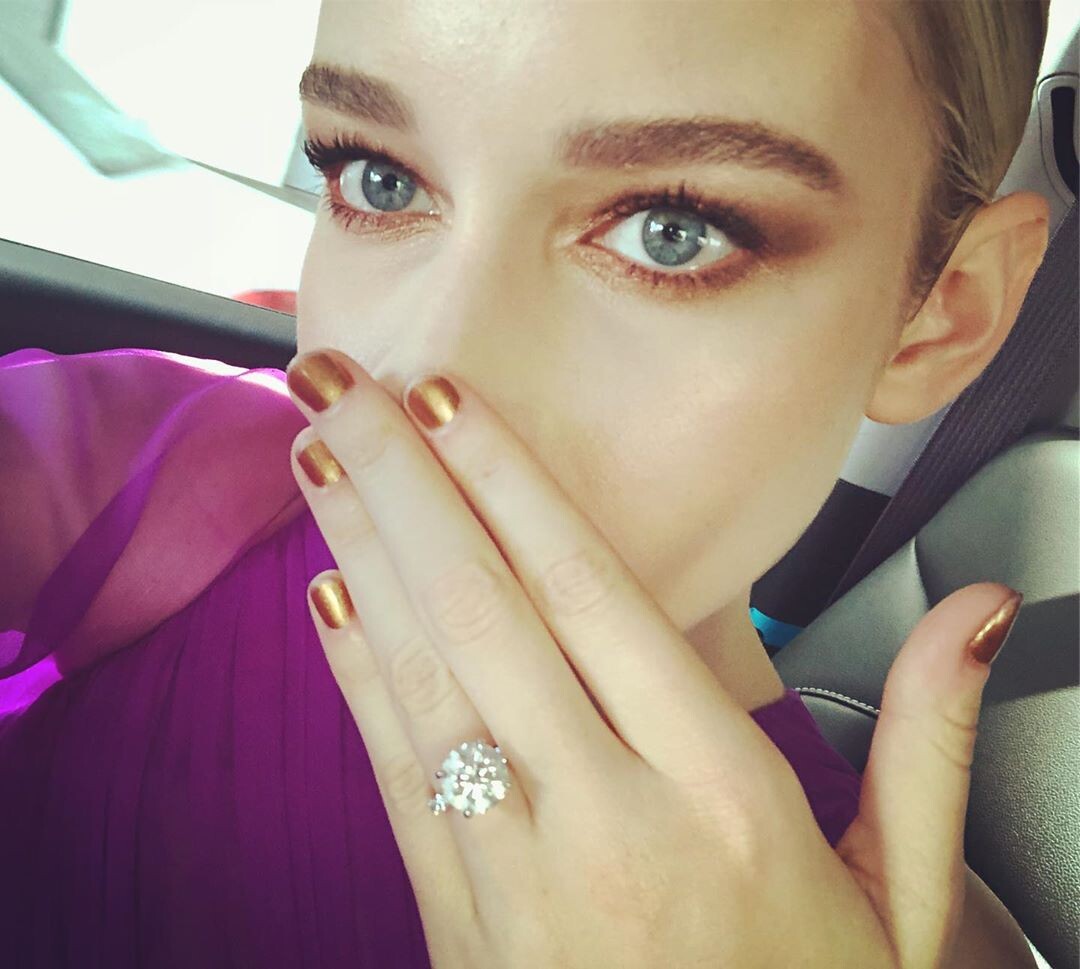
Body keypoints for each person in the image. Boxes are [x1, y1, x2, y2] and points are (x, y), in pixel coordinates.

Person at [0, 1, 1053, 965]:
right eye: (379, 178)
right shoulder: (174, 467)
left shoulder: (897, 937)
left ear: (943, 315)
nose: (431, 371)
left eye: (672, 232)